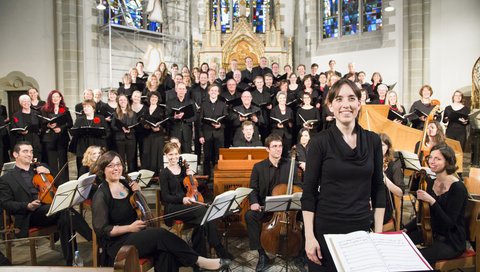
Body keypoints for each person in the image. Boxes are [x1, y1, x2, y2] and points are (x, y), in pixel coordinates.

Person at [91, 150, 230, 271]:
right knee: (160, 234)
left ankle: (198, 261)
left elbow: (139, 207)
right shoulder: (101, 194)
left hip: (138, 234)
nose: (116, 168)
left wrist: (138, 192)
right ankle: (199, 261)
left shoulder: (126, 184)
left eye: (118, 164)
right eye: (111, 165)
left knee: (166, 254)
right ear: (103, 169)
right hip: (119, 243)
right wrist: (129, 228)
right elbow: (102, 229)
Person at [301, 78, 385, 271]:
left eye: (351, 98)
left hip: (360, 227)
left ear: (359, 103)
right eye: (339, 99)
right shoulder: (319, 142)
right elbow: (309, 192)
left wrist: (378, 234)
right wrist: (309, 237)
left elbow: (378, 188)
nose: (345, 104)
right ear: (330, 105)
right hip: (326, 229)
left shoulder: (373, 141)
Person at [0, 142, 92, 266]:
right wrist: (27, 205)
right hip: (30, 214)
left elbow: (58, 183)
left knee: (65, 217)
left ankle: (71, 262)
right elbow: (6, 203)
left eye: (31, 151)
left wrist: (49, 171)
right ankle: (94, 240)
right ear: (15, 154)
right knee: (64, 211)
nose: (30, 154)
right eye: (25, 151)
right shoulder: (7, 179)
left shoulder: (39, 169)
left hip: (50, 209)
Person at [159, 143, 232, 261]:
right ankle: (219, 248)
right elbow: (165, 196)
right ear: (166, 155)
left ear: (179, 154)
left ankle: (199, 258)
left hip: (188, 204)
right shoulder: (164, 173)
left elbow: (195, 187)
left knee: (202, 223)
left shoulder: (184, 170)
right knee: (205, 211)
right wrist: (181, 199)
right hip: (173, 208)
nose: (174, 157)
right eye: (170, 154)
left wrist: (192, 176)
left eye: (176, 154)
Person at [404, 143, 467, 265]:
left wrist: (432, 201)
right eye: (430, 157)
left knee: (417, 258)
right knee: (402, 244)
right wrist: (406, 228)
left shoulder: (458, 188)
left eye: (437, 159)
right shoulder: (432, 182)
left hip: (450, 241)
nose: (431, 162)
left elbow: (448, 224)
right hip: (431, 234)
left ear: (448, 162)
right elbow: (424, 214)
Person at [245, 134, 301, 271]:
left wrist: (299, 193)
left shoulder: (290, 165)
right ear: (267, 149)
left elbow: (299, 185)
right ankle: (262, 254)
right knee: (249, 215)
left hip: (288, 208)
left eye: (280, 146)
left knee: (307, 214)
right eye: (274, 146)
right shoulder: (258, 167)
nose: (278, 149)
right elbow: (252, 188)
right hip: (266, 207)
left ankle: (301, 253)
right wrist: (254, 202)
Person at [39, 90, 73, 183]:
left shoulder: (65, 109)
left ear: (60, 98)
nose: (55, 99)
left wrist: (61, 128)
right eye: (53, 97)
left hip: (62, 138)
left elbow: (70, 123)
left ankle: (64, 182)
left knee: (63, 161)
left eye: (57, 97)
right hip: (49, 138)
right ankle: (53, 183)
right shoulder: (44, 109)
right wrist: (48, 125)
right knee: (52, 162)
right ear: (50, 98)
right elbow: (41, 123)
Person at [71, 99, 110, 178]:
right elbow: (74, 132)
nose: (85, 108)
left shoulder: (100, 118)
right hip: (83, 146)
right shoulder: (79, 119)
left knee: (99, 168)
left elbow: (108, 132)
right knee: (82, 168)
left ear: (93, 108)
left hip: (97, 145)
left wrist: (99, 133)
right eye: (84, 107)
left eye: (88, 106)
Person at [198, 85, 227, 177]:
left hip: (219, 134)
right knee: (207, 157)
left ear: (218, 93)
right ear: (209, 92)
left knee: (218, 157)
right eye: (212, 90)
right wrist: (201, 135)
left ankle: (218, 177)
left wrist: (220, 125)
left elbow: (226, 121)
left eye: (216, 90)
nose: (214, 92)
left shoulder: (223, 104)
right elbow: (200, 122)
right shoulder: (204, 104)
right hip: (207, 134)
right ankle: (206, 177)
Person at [379, 133, 405, 226]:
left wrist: (384, 179)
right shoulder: (368, 162)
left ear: (388, 148)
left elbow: (400, 192)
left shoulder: (393, 166)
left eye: (381, 145)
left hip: (384, 208)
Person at [166, 83, 196, 153]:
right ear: (176, 90)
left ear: (186, 91)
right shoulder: (170, 102)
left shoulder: (190, 102)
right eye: (180, 89)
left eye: (183, 89)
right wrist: (174, 117)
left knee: (186, 155)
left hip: (187, 132)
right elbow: (167, 117)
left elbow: (195, 117)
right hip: (175, 132)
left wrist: (185, 118)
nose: (181, 91)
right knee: (175, 153)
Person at [141, 91, 166, 176]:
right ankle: (147, 177)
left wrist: (159, 128)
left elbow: (166, 123)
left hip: (158, 136)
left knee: (157, 156)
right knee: (147, 155)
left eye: (156, 97)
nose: (154, 99)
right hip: (147, 135)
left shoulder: (162, 110)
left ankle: (158, 176)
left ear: (158, 99)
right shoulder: (145, 109)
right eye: (152, 97)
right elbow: (142, 121)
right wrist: (146, 126)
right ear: (149, 99)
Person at [10, 95, 42, 161]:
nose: (26, 103)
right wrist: (20, 131)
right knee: (24, 161)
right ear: (20, 103)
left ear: (30, 102)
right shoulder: (16, 115)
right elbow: (13, 128)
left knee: (36, 161)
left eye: (28, 101)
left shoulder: (36, 114)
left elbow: (41, 126)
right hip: (21, 140)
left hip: (35, 141)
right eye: (24, 101)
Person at [112, 94, 138, 172]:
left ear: (127, 101)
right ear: (118, 102)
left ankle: (132, 176)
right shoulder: (115, 113)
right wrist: (121, 129)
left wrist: (130, 130)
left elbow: (136, 126)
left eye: (124, 100)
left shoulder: (133, 113)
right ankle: (122, 175)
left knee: (131, 159)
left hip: (130, 139)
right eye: (120, 100)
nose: (122, 101)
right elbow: (113, 126)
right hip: (119, 139)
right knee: (120, 159)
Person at [269, 91, 293, 157]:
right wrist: (277, 125)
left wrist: (289, 124)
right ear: (278, 99)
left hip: (287, 135)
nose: (283, 99)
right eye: (281, 98)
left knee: (286, 155)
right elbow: (271, 123)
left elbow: (292, 123)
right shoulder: (274, 110)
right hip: (277, 135)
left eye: (284, 98)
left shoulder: (289, 110)